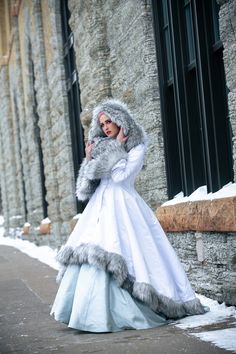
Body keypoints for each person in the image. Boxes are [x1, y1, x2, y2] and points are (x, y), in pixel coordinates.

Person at [50, 98, 207, 332]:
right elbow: (84, 188)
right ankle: (84, 312)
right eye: (102, 124)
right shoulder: (101, 145)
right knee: (91, 251)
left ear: (120, 119)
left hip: (124, 205)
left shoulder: (136, 145)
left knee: (130, 254)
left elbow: (121, 177)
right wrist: (89, 158)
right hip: (97, 209)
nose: (106, 128)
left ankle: (137, 307)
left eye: (109, 122)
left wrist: (115, 149)